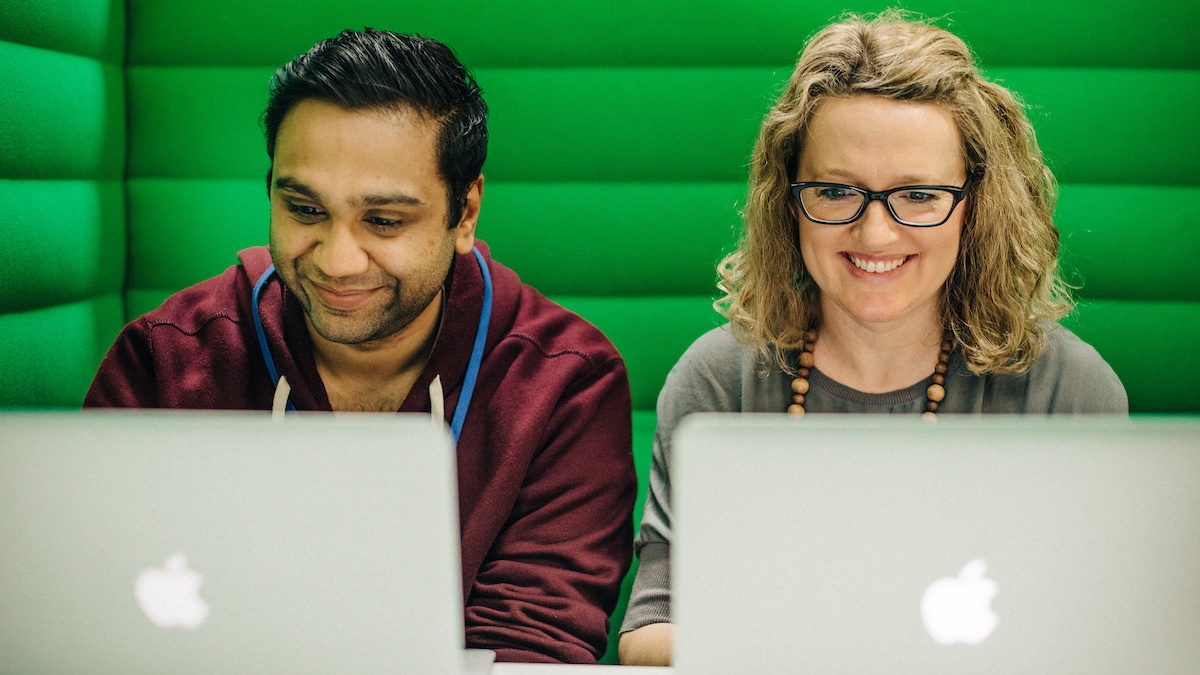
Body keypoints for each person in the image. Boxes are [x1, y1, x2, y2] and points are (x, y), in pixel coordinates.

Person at [85, 29, 636, 664]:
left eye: (384, 221)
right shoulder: (167, 357)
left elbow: (529, 647)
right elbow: (91, 611)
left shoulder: (565, 381)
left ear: (466, 213)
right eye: (305, 210)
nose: (338, 261)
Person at [617, 11, 1127, 666]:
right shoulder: (718, 379)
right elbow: (649, 635)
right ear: (787, 198)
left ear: (976, 203)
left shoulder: (1071, 390)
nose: (875, 235)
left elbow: (1106, 644)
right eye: (835, 191)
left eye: (917, 194)